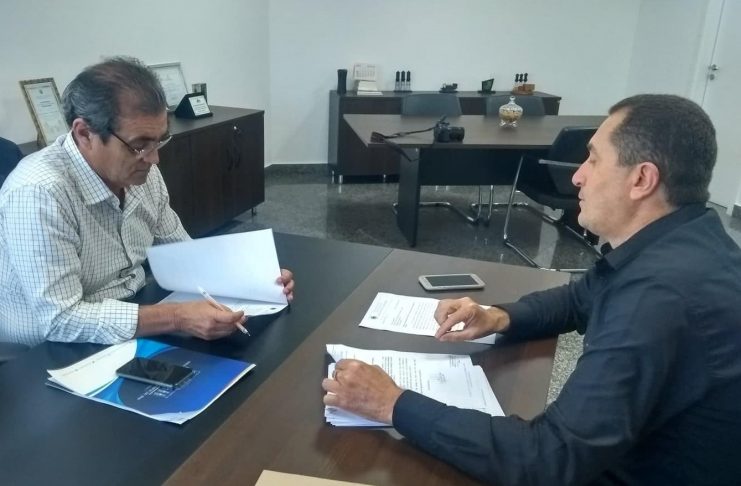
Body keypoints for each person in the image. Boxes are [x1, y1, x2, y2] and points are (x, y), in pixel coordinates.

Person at [322, 94, 741, 485]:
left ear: (642, 179)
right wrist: (498, 316)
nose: (577, 176)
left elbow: (549, 458)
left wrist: (391, 403)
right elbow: (578, 298)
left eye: (593, 160)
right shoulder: (688, 240)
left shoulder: (656, 296)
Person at [0, 57, 293, 346]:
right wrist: (176, 317)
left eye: (160, 140)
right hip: (46, 351)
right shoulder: (39, 193)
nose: (154, 159)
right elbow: (60, 320)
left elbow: (183, 253)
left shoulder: (140, 171)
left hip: (131, 314)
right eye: (139, 145)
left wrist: (254, 282)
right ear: (85, 133)